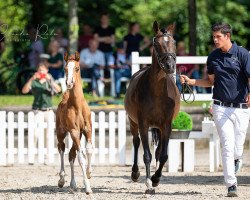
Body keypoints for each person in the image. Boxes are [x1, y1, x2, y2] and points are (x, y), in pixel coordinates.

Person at [180, 22, 250, 197]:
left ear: (227, 36)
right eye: (213, 37)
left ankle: (238, 158)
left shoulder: (243, 54)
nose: (215, 40)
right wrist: (191, 81)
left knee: (237, 146)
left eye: (218, 36)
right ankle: (231, 185)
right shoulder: (213, 57)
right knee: (226, 144)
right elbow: (210, 81)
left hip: (241, 108)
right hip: (220, 106)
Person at [22, 62, 61, 163]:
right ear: (37, 71)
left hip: (48, 110)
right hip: (37, 110)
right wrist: (32, 79)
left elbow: (59, 90)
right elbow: (24, 91)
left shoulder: (49, 80)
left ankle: (48, 157)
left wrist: (50, 79)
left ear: (47, 71)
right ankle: (32, 156)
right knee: (34, 133)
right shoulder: (34, 81)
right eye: (40, 70)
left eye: (43, 70)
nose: (41, 72)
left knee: (49, 135)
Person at [94, 13, 115, 78]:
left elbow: (112, 40)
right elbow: (95, 39)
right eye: (103, 18)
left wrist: (101, 39)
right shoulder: (97, 28)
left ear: (108, 19)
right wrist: (107, 38)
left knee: (109, 67)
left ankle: (109, 81)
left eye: (106, 18)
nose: (104, 20)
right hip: (99, 51)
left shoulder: (111, 28)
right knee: (100, 66)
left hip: (109, 51)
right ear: (101, 19)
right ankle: (100, 78)